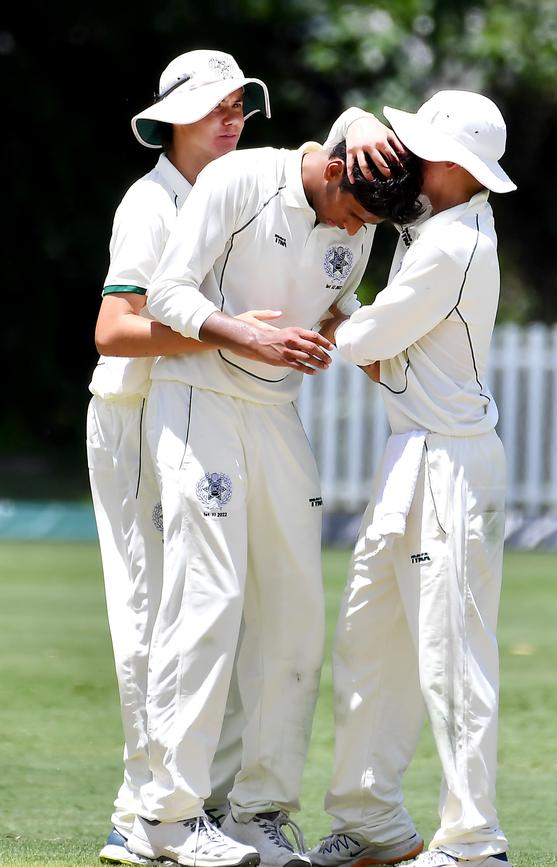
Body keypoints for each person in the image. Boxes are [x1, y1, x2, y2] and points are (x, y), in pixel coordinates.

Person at [123, 115, 423, 867]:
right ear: (330, 171)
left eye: (368, 225)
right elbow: (165, 292)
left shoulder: (363, 212)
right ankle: (168, 814)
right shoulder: (241, 179)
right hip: (197, 397)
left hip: (276, 411)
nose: (355, 232)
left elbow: (329, 302)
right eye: (353, 213)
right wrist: (242, 333)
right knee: (208, 599)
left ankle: (260, 811)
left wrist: (357, 337)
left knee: (296, 611)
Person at [86, 48, 333, 867]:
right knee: (156, 609)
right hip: (133, 410)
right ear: (171, 120)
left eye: (238, 106)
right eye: (213, 107)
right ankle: (142, 811)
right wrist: (225, 329)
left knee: (215, 612)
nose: (232, 119)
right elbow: (114, 330)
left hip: (196, 409)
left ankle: (201, 805)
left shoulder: (237, 190)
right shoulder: (149, 202)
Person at [308, 90, 518, 867]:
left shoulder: (451, 246)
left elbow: (362, 338)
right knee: (370, 641)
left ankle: (472, 842)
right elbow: (373, 354)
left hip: (454, 467)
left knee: (451, 655)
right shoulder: (434, 224)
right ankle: (373, 824)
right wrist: (360, 121)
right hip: (411, 458)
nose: (402, 162)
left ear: (457, 168)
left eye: (420, 150)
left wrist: (341, 320)